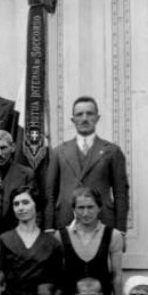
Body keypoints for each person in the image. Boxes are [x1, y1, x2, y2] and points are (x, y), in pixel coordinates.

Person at [44, 96, 129, 232]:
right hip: (66, 221)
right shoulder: (59, 152)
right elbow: (50, 194)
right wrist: (49, 227)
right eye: (79, 114)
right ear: (73, 120)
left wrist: (121, 230)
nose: (84, 118)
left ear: (97, 118)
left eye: (89, 114)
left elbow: (121, 193)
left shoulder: (112, 151)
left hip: (103, 221)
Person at [0, 185, 64, 295]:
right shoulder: (5, 239)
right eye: (16, 204)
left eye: (25, 203)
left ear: (36, 205)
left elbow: (59, 281)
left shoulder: (51, 242)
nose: (20, 208)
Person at [55, 187, 123, 295]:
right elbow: (57, 276)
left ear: (99, 208)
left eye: (90, 207)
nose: (86, 213)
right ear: (74, 209)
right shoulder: (61, 236)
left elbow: (117, 275)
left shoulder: (113, 235)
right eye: (81, 208)